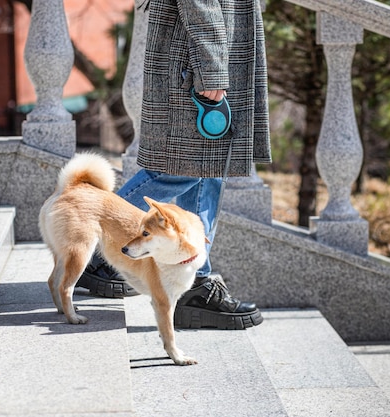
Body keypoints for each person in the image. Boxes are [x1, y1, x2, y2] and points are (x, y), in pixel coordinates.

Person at [78, 0, 271, 330]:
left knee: (204, 169)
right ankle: (100, 248)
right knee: (178, 169)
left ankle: (193, 281)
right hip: (197, 57)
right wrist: (211, 67)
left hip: (209, 49)